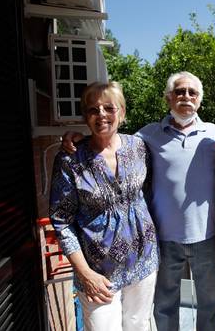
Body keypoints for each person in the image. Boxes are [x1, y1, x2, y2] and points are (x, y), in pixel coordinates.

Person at [62, 72, 215, 330]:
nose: (185, 97)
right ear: (168, 98)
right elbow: (111, 138)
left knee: (209, 303)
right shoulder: (148, 135)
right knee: (165, 305)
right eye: (179, 92)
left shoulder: (214, 133)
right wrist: (81, 139)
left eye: (192, 93)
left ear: (199, 100)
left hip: (207, 237)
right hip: (163, 239)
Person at [50, 81, 158, 331]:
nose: (101, 115)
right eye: (93, 109)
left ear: (122, 112)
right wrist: (85, 273)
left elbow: (147, 192)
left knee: (139, 325)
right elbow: (62, 221)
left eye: (109, 108)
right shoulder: (69, 158)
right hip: (98, 271)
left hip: (144, 260)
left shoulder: (139, 147)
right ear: (85, 116)